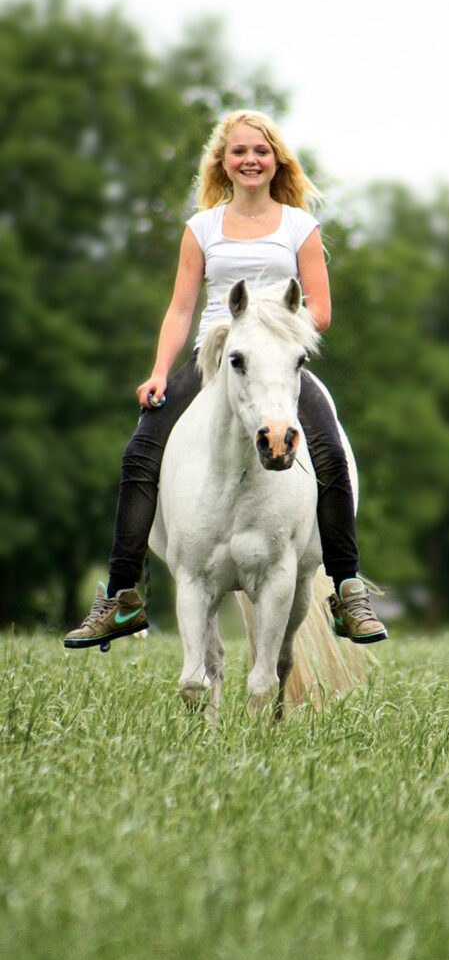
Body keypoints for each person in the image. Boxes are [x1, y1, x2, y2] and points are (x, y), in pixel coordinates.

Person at [64, 110, 387, 650]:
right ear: (224, 162)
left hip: (279, 359)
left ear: (275, 159)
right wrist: (159, 372)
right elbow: (179, 309)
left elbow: (322, 310)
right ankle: (121, 598)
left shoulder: (298, 226)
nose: (250, 160)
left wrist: (268, 323)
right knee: (140, 452)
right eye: (239, 152)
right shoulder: (202, 227)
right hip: (217, 354)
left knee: (328, 450)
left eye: (260, 151)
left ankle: (348, 590)